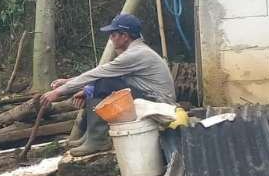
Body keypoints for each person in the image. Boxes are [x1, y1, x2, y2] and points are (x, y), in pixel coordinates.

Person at [41, 13, 176, 156]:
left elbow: (101, 73)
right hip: (150, 99)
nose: (110, 38)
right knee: (96, 84)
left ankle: (97, 140)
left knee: (102, 83)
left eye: (113, 34)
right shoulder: (136, 51)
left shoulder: (135, 54)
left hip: (159, 104)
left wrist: (59, 91)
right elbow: (105, 72)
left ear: (124, 36)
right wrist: (70, 82)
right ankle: (90, 135)